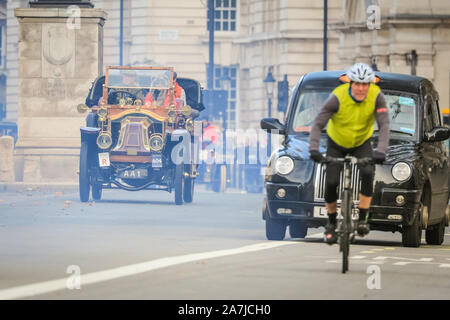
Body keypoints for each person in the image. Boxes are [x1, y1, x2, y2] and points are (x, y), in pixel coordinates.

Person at [308, 63, 390, 244]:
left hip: (361, 143)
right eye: (357, 84)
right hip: (336, 142)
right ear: (350, 83)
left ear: (370, 85)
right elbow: (318, 124)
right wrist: (314, 149)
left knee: (368, 173)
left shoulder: (376, 97)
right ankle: (330, 224)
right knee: (330, 182)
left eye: (365, 84)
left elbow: (384, 125)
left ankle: (362, 219)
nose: (361, 89)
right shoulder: (337, 97)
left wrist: (381, 150)